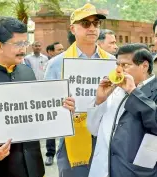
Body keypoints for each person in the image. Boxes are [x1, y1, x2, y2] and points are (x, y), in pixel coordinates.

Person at [0, 15, 75, 177]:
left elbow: (36, 115)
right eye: (18, 44)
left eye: (25, 42)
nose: (24, 49)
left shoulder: (26, 71)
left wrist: (61, 110)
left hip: (34, 167)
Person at [44, 3, 115, 177]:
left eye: (96, 23)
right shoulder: (56, 64)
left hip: (105, 137)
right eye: (85, 23)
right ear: (73, 28)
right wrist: (60, 106)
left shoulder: (111, 62)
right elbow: (47, 105)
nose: (92, 28)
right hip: (72, 140)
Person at [87, 43, 157, 177]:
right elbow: (93, 130)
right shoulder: (114, 90)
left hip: (136, 172)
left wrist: (133, 92)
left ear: (144, 66)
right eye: (117, 65)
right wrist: (99, 101)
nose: (119, 70)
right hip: (104, 169)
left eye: (125, 65)